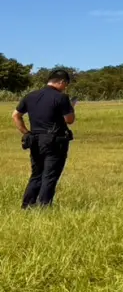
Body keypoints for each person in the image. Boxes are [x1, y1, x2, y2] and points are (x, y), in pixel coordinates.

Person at [11, 69, 76, 209]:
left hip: (35, 139)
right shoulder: (61, 98)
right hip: (55, 141)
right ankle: (44, 208)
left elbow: (15, 115)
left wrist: (26, 133)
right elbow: (69, 120)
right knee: (50, 176)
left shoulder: (30, 96)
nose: (65, 88)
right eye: (66, 84)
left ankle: (27, 206)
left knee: (36, 174)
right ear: (61, 82)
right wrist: (71, 107)